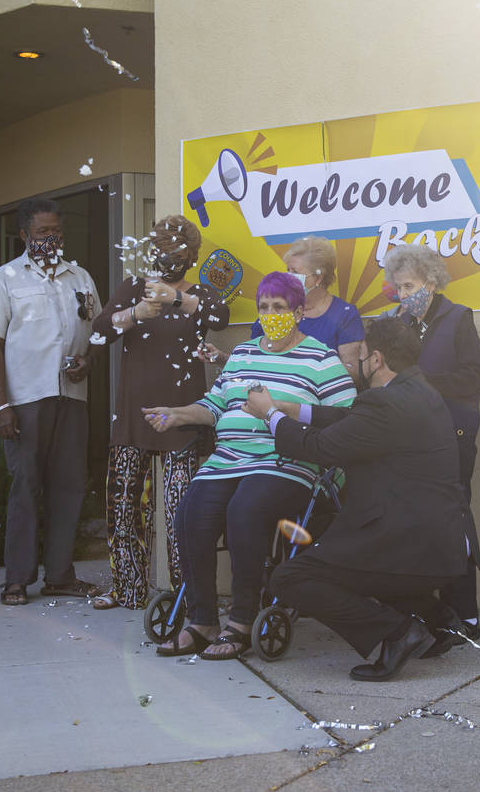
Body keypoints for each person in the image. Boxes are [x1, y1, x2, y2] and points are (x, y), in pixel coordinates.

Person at [249, 316, 480, 681]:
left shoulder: (384, 405)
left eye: (356, 355)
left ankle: (399, 634)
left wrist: (271, 415)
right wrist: (297, 410)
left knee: (289, 578)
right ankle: (440, 623)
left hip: (407, 545)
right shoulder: (417, 391)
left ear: (376, 359)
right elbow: (353, 418)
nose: (350, 362)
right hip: (440, 547)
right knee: (354, 564)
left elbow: (318, 447)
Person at [143, 272, 356, 660]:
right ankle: (202, 619)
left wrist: (280, 409)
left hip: (286, 461)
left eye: (279, 307)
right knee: (191, 512)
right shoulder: (243, 353)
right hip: (228, 459)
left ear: (298, 311)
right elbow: (214, 406)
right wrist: (177, 414)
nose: (270, 314)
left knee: (246, 509)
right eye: (264, 307)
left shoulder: (321, 358)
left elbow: (345, 416)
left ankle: (241, 619)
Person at [89, 215, 230, 610]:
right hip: (133, 416)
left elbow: (219, 318)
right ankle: (127, 588)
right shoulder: (135, 288)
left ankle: (188, 594)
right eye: (161, 249)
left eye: (177, 252)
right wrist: (135, 314)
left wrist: (177, 301)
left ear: (192, 256)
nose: (168, 258)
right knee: (123, 504)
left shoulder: (200, 294)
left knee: (179, 510)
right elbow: (100, 329)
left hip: (180, 418)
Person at [0, 198, 100, 606]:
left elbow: (95, 334)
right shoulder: (5, 279)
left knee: (69, 487)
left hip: (72, 397)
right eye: (44, 232)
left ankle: (60, 575)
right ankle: (17, 579)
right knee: (25, 487)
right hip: (25, 399)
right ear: (25, 235)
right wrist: (1, 406)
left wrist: (88, 360)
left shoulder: (80, 278)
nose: (52, 239)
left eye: (57, 232)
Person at [382, 244, 480, 641]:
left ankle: (467, 613)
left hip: (452, 436)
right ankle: (428, 612)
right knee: (414, 524)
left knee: (454, 520)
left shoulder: (457, 317)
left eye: (409, 285)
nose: (404, 293)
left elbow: (476, 376)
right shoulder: (397, 322)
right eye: (398, 287)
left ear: (430, 281)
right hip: (407, 439)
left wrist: (424, 387)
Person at [202, 236, 365, 369]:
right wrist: (221, 358)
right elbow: (254, 363)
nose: (288, 277)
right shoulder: (272, 311)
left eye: (294, 272)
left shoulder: (344, 314)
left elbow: (352, 374)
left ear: (319, 277)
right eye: (287, 270)